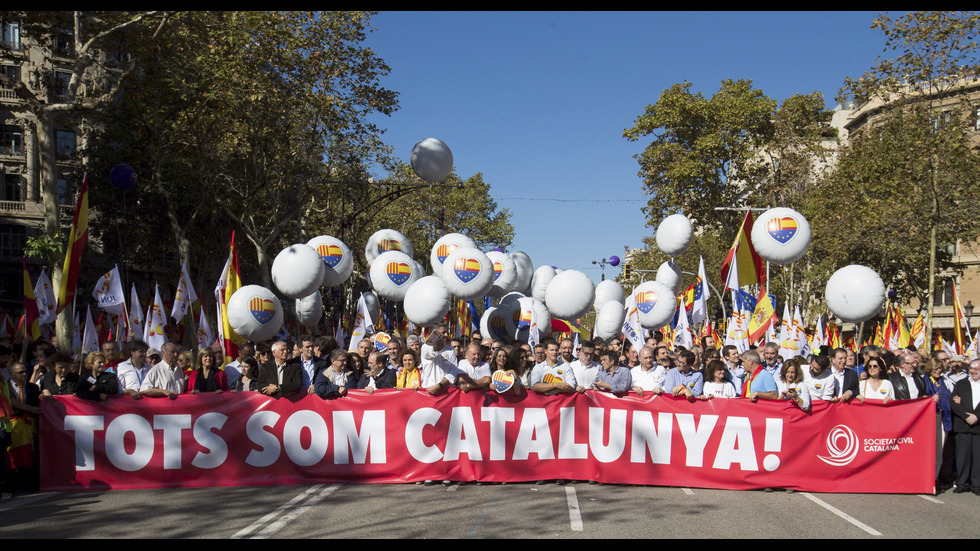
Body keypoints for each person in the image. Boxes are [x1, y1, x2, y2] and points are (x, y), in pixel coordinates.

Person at [950, 360, 980, 494]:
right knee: (963, 456)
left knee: (978, 457)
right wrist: (965, 416)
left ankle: (977, 485)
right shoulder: (961, 384)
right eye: (971, 368)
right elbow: (953, 402)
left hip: (978, 425)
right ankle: (962, 483)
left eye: (976, 369)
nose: (973, 371)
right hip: (963, 425)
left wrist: (977, 416)